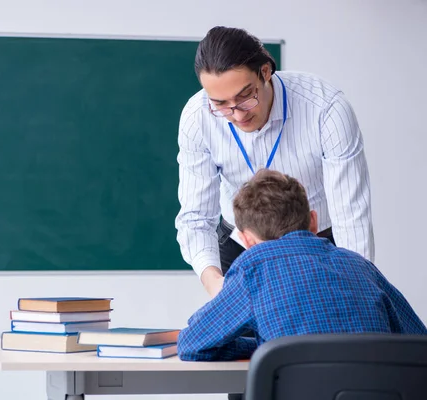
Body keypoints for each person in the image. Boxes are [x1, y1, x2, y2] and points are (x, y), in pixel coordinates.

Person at [175, 26, 374, 298]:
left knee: (323, 332)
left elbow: (351, 217)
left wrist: (357, 290)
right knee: (243, 340)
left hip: (316, 242)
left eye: (245, 97)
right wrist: (215, 284)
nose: (236, 114)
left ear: (265, 72)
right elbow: (196, 218)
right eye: (221, 104)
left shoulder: (325, 108)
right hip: (241, 244)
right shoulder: (198, 118)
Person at [177, 169, 427, 363]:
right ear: (314, 221)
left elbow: (192, 343)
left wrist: (270, 348)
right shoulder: (361, 267)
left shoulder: (252, 271)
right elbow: (419, 343)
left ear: (246, 240)